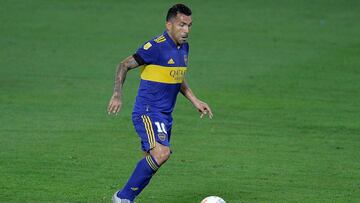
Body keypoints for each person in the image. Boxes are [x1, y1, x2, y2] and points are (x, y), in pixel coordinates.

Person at [107, 4, 213, 203]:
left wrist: (195, 100)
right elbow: (124, 65)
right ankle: (122, 198)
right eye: (182, 25)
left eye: (189, 26)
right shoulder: (155, 47)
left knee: (155, 158)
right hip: (148, 111)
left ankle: (127, 197)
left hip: (165, 115)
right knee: (161, 153)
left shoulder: (184, 48)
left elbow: (177, 77)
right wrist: (117, 94)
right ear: (169, 24)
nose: (186, 31)